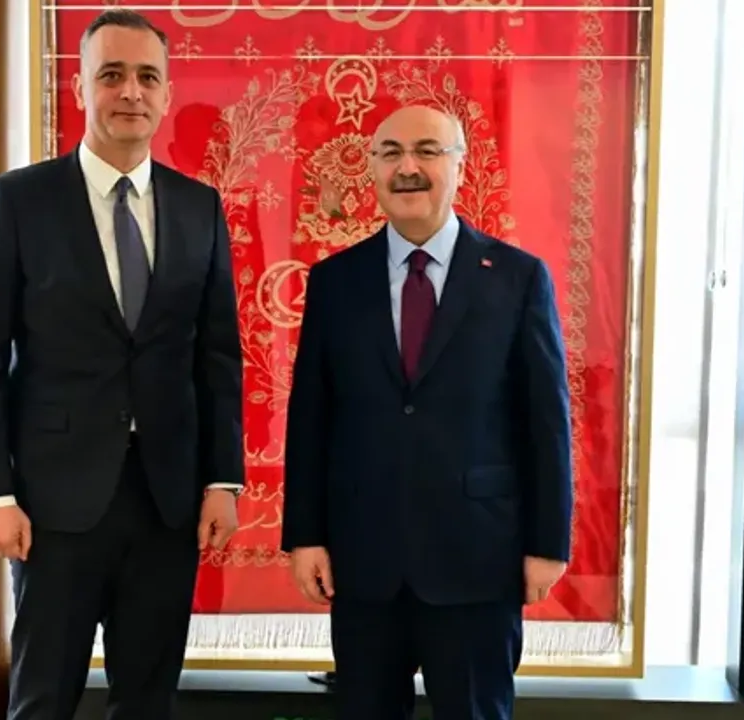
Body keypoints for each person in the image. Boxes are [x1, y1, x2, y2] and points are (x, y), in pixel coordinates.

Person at [0, 9, 244, 719]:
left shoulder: (199, 207)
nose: (131, 92)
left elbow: (216, 357)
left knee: (148, 697)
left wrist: (222, 480)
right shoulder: (17, 201)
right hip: (54, 501)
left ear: (167, 93)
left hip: (168, 498)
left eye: (147, 77)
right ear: (81, 88)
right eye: (111, 75)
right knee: (43, 697)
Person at [281, 105, 574, 720]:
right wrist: (305, 536)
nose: (407, 167)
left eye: (427, 151)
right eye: (390, 153)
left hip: (479, 560)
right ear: (371, 168)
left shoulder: (517, 278)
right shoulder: (335, 281)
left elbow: (546, 423)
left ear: (460, 166)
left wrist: (548, 544)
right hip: (365, 562)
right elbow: (311, 419)